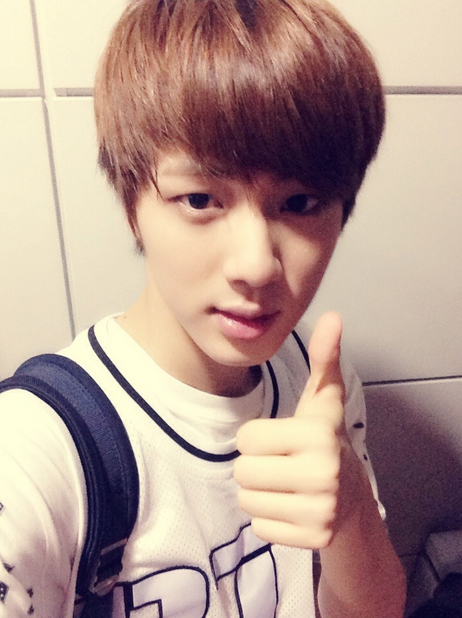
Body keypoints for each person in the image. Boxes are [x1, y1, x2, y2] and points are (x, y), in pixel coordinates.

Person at [0, 0, 406, 616]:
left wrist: (350, 509)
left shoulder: (316, 384)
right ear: (132, 203)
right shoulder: (41, 449)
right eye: (199, 199)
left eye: (300, 202)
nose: (257, 265)